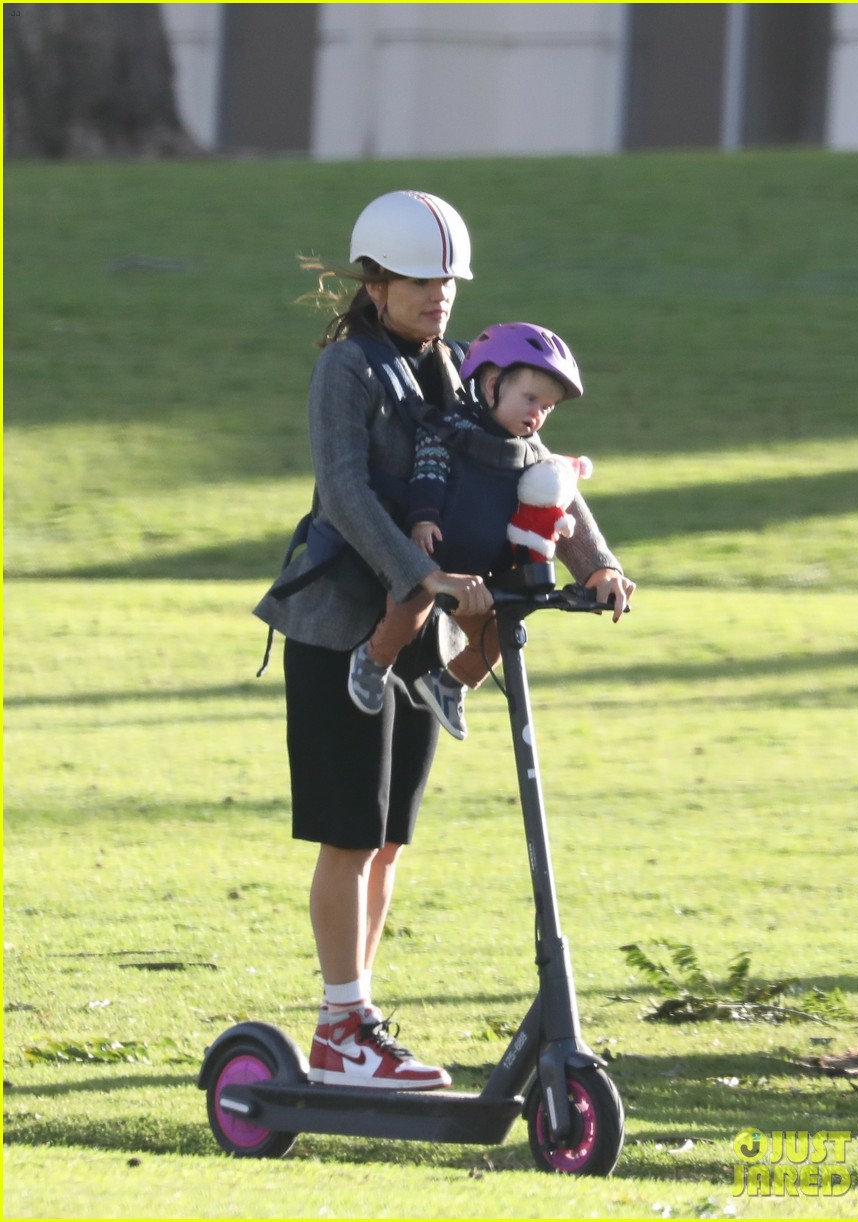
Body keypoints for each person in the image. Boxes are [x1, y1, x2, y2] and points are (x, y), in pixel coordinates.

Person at [254, 189, 635, 1092]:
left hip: (421, 636)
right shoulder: (348, 368)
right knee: (349, 835)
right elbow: (345, 491)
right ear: (376, 284)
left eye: (449, 284)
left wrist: (598, 565)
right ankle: (340, 1029)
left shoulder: (464, 368)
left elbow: (536, 469)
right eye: (422, 282)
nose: (438, 297)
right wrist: (418, 574)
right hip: (342, 626)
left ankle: (358, 1025)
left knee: (388, 838)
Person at [347, 322, 589, 742]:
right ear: (492, 386)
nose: (537, 413)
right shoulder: (451, 431)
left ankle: (451, 683)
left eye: (547, 407)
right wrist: (423, 519)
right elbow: (428, 475)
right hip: (434, 557)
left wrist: (598, 571)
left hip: (482, 575)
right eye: (530, 399)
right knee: (410, 602)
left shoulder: (532, 455)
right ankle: (373, 659)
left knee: (504, 630)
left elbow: (556, 505)